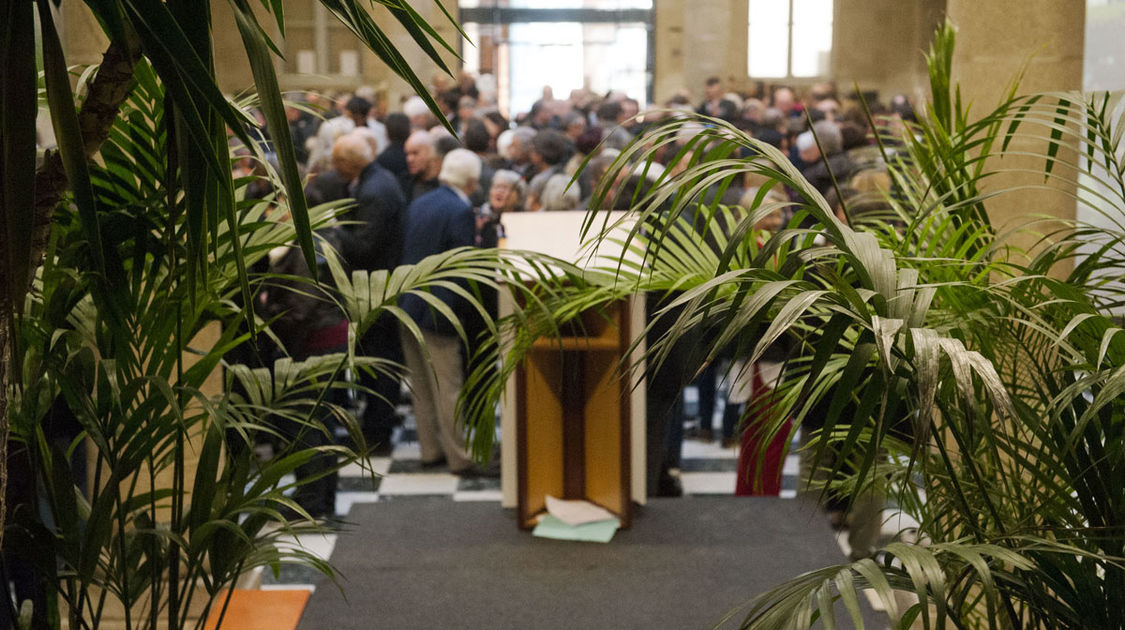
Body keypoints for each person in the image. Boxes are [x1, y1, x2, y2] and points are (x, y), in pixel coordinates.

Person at [398, 149, 494, 477]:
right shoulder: (460, 210)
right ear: (471, 181)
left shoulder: (419, 202)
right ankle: (459, 457)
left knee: (421, 387)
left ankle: (430, 451)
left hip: (408, 302)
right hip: (439, 310)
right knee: (448, 387)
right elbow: (462, 266)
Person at [329, 133, 409, 455]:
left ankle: (377, 433)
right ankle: (373, 427)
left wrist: (334, 229)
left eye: (336, 163)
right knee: (373, 362)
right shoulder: (378, 180)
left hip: (378, 289)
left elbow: (365, 247)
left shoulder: (375, 191)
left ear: (348, 163)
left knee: (378, 364)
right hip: (377, 287)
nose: (334, 170)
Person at [400, 129, 441, 203]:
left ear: (431, 152)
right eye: (407, 154)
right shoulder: (404, 182)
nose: (409, 159)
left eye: (415, 153)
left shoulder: (443, 184)